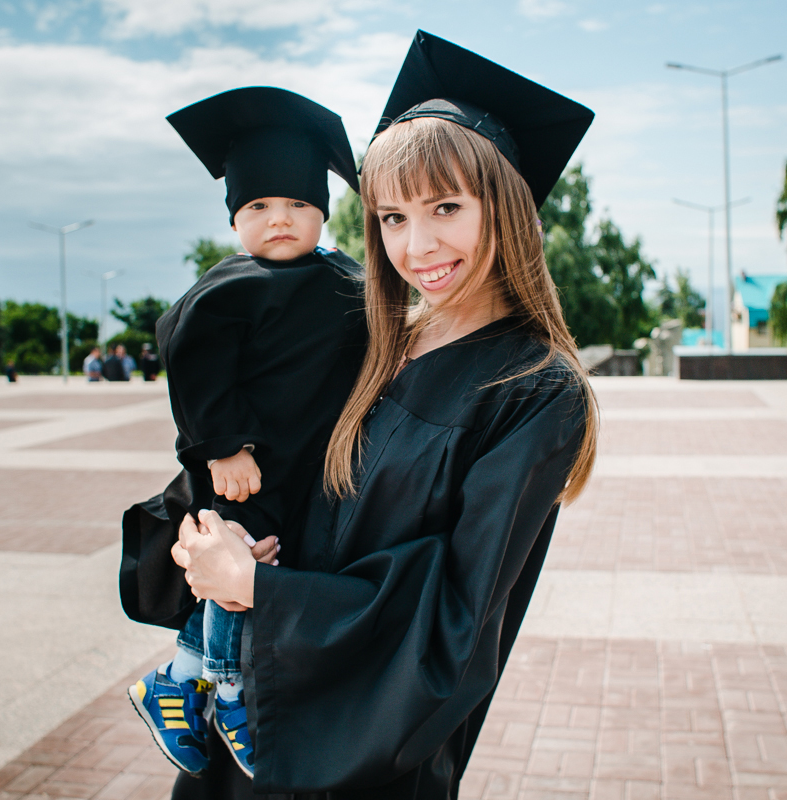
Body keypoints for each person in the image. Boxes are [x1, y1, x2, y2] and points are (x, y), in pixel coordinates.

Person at [124, 31, 600, 798]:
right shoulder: (377, 343)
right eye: (391, 217)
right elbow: (274, 470)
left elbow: (455, 621)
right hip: (243, 730)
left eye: (447, 206)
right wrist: (202, 537)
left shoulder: (532, 391)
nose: (418, 245)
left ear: (505, 209)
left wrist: (260, 591)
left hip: (354, 755)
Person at [123, 86, 366, 781]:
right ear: (234, 220)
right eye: (258, 207)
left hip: (301, 466)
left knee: (255, 563)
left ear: (323, 212)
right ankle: (229, 691)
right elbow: (192, 364)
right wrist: (222, 445)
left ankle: (177, 677)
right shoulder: (229, 287)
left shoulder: (344, 278)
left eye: (297, 206)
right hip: (242, 464)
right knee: (239, 566)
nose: (279, 220)